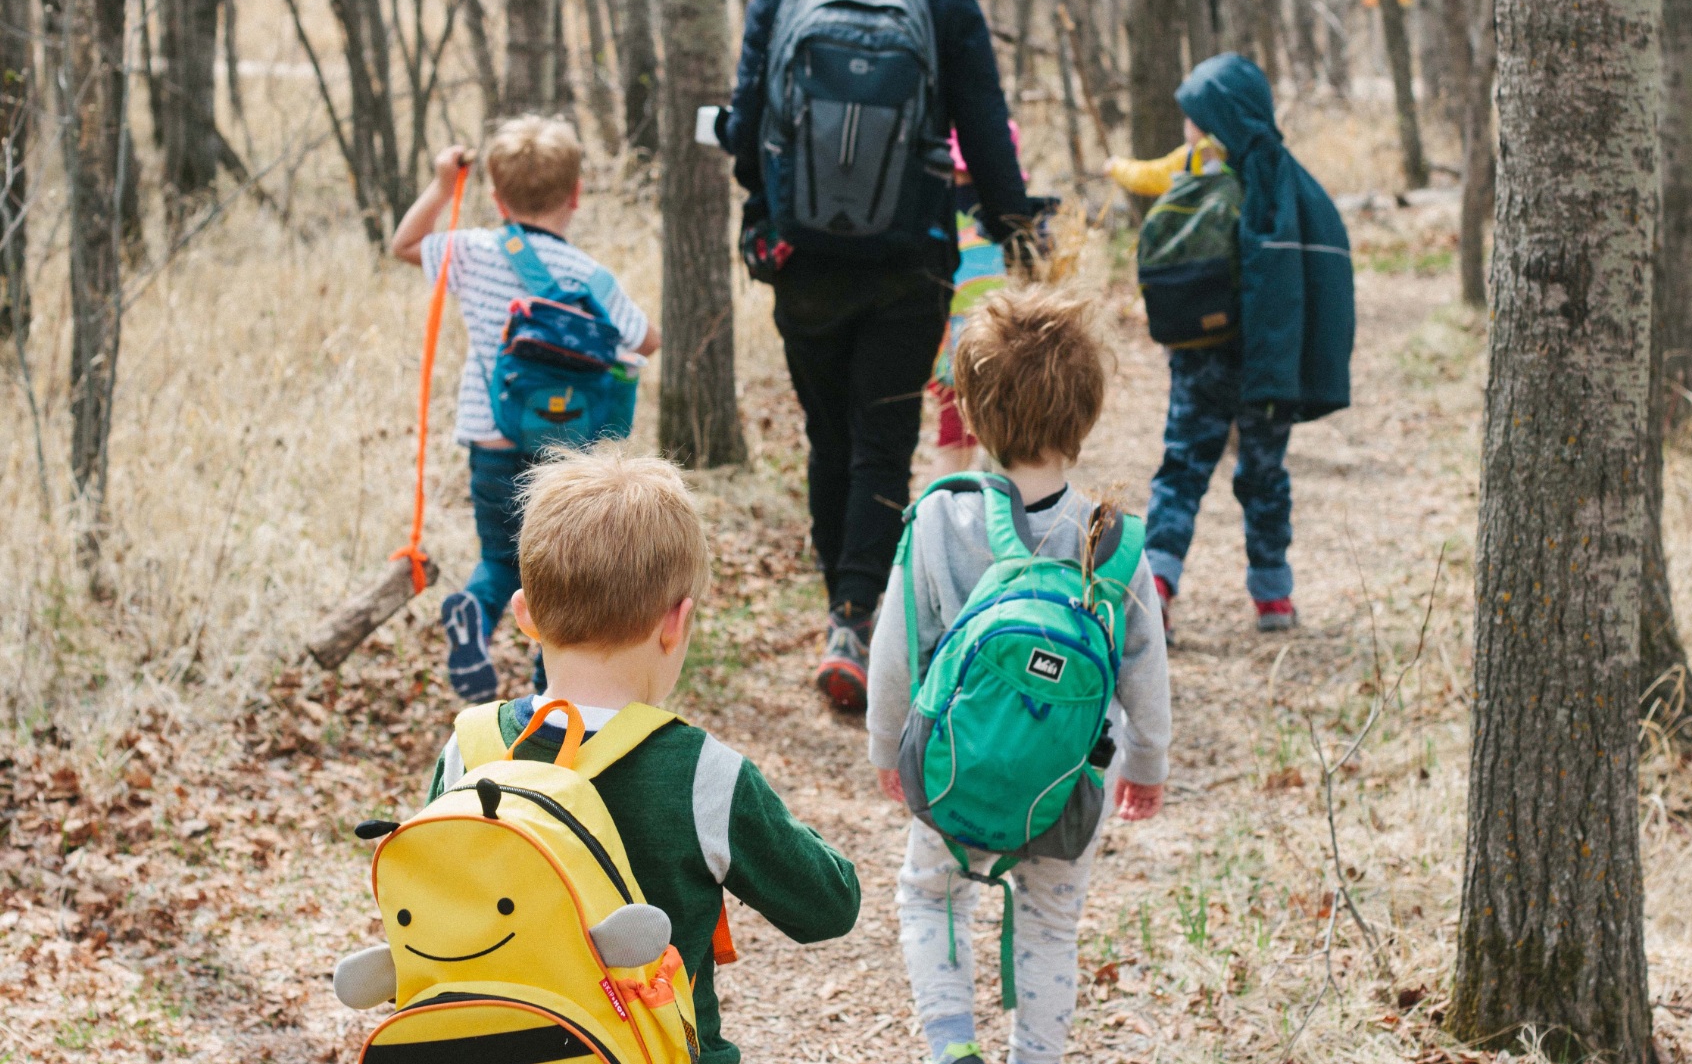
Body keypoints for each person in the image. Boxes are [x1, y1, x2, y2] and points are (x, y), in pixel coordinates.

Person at [424, 448, 863, 1064]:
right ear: (676, 623)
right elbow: (828, 907)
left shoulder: (467, 749)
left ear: (524, 615)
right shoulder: (700, 773)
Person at [722, 0, 1034, 714]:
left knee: (828, 436)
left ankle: (843, 613)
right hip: (908, 260)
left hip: (804, 264)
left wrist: (765, 215)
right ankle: (857, 620)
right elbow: (984, 130)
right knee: (883, 442)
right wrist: (1014, 228)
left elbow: (745, 131)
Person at [866, 291, 1172, 1064]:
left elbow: (896, 649)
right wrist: (1147, 763)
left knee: (930, 893)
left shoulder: (939, 516)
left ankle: (949, 1043)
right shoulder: (1116, 541)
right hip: (1066, 784)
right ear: (1089, 411)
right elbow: (1144, 670)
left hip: (953, 768)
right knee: (1048, 925)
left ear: (969, 411)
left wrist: (884, 748)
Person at [391, 116, 661, 701]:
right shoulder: (588, 275)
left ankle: (476, 611)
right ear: (576, 195)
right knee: (564, 578)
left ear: (494, 196)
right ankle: (551, 691)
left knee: (499, 557)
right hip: (564, 455)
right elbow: (646, 340)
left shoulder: (472, 252)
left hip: (491, 442)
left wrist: (441, 186)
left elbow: (404, 245)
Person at [1106, 55, 1354, 636]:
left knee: (1182, 470)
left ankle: (1158, 589)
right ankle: (1273, 595)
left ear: (1214, 120)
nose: (1188, 126)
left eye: (1195, 116)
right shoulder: (1281, 183)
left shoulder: (1199, 174)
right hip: (1265, 364)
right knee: (1264, 475)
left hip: (1199, 359)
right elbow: (1317, 278)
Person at [924, 124, 1018, 478]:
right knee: (996, 436)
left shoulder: (937, 209)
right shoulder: (1007, 217)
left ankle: (947, 512)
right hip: (991, 342)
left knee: (957, 438)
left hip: (957, 343)